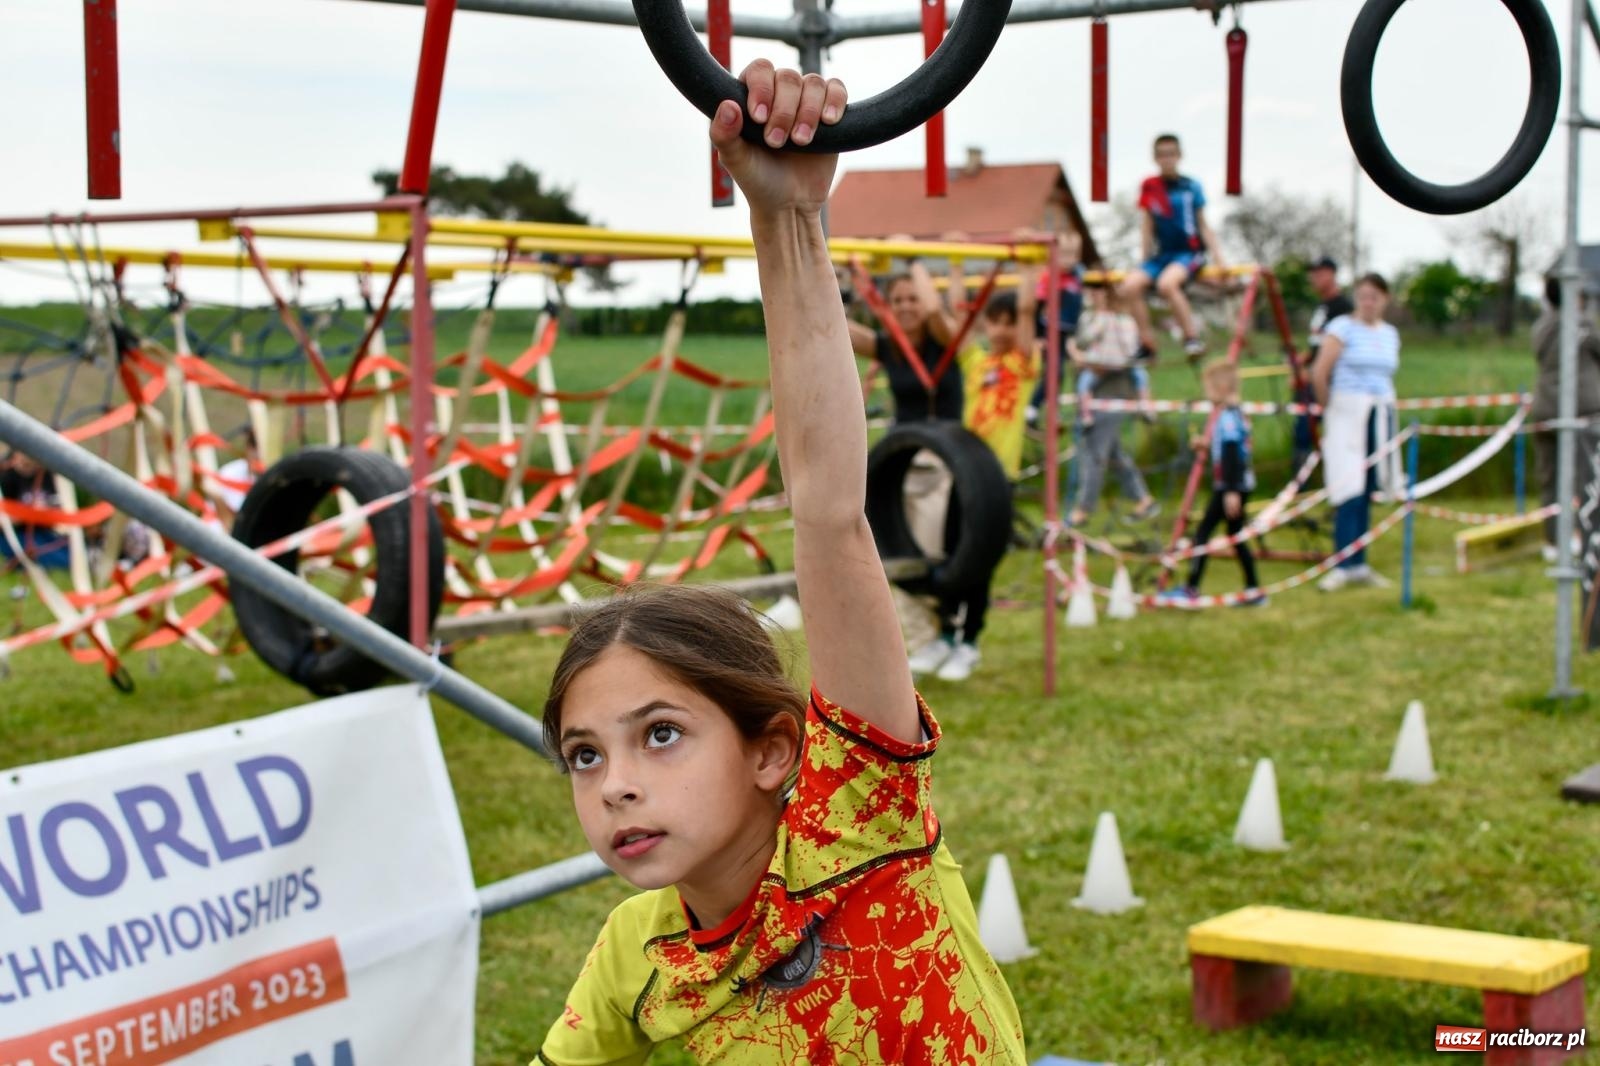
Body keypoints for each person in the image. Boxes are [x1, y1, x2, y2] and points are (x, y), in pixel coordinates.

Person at [533, 64, 1027, 1066]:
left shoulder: (852, 823)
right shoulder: (640, 952)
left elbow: (831, 514)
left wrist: (789, 219)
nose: (614, 786)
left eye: (659, 734)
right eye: (585, 754)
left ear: (773, 752)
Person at [906, 280, 1041, 683]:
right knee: (949, 556)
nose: (1000, 331)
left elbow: (1031, 310)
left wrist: (1030, 262)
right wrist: (954, 263)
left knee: (980, 564)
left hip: (997, 482)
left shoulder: (1024, 365)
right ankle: (945, 635)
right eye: (993, 323)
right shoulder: (976, 363)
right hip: (961, 474)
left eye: (1008, 323)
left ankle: (969, 642)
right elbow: (946, 315)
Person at [1311, 273, 1401, 591]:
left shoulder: (1390, 334)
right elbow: (1320, 373)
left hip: (1378, 414)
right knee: (1348, 488)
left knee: (1367, 490)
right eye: (1362, 295)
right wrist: (1329, 409)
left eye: (1374, 296)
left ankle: (1360, 562)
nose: (1368, 302)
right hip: (1347, 414)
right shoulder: (1341, 329)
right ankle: (1342, 563)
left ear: (1384, 299)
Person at [1160, 361, 1264, 606]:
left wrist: (1230, 491)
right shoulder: (1234, 413)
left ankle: (1191, 589)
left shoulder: (1227, 417)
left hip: (1230, 486)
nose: (1206, 393)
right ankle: (1253, 590)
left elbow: (1232, 455)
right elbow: (1235, 448)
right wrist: (1206, 446)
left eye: (1208, 387)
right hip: (1237, 484)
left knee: (1203, 534)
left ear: (1222, 386)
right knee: (1235, 536)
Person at [1119, 133, 1227, 362]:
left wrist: (1219, 259)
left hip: (1188, 253)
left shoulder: (1190, 187)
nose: (1167, 159)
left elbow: (1203, 225)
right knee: (1130, 286)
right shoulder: (1151, 187)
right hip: (1162, 255)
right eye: (1162, 155)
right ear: (1155, 158)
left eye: (1171, 154)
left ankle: (1191, 338)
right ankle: (1147, 344)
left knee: (1167, 284)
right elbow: (1147, 226)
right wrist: (1144, 260)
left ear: (1179, 156)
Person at [1531, 274, 1600, 559]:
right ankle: (1586, 538)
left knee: (1551, 478)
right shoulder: (1581, 324)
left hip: (1546, 408)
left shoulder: (1540, 327)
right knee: (1587, 479)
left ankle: (1553, 542)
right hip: (1582, 412)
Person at [1294, 256, 1355, 471]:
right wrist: (1302, 360)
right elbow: (1317, 344)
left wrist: (1313, 372)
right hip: (1311, 379)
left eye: (1319, 273)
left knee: (1327, 432)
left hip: (1327, 383)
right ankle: (1301, 484)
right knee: (1303, 434)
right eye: (1312, 274)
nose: (1314, 278)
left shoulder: (1343, 307)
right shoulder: (1321, 306)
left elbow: (1338, 348)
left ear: (1331, 274)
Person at [1071, 284, 1152, 429]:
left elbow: (1130, 346)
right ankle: (1086, 415)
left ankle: (1145, 406)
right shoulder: (1090, 317)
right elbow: (1085, 339)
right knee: (1084, 382)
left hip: (1122, 362)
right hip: (1099, 362)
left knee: (1141, 375)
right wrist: (1101, 319)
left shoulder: (1126, 320)